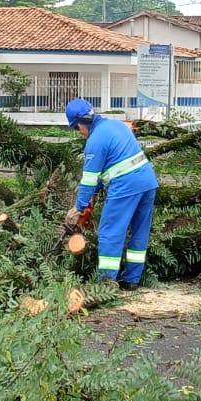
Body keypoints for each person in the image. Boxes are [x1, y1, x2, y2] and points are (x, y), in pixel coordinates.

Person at [63, 98, 157, 288]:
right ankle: (132, 281)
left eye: (76, 128)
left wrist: (78, 207)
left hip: (126, 186)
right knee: (139, 232)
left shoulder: (95, 141)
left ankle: (106, 283)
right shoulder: (117, 125)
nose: (79, 133)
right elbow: (112, 165)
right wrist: (95, 192)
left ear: (80, 124)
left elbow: (89, 180)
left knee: (110, 233)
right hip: (148, 182)